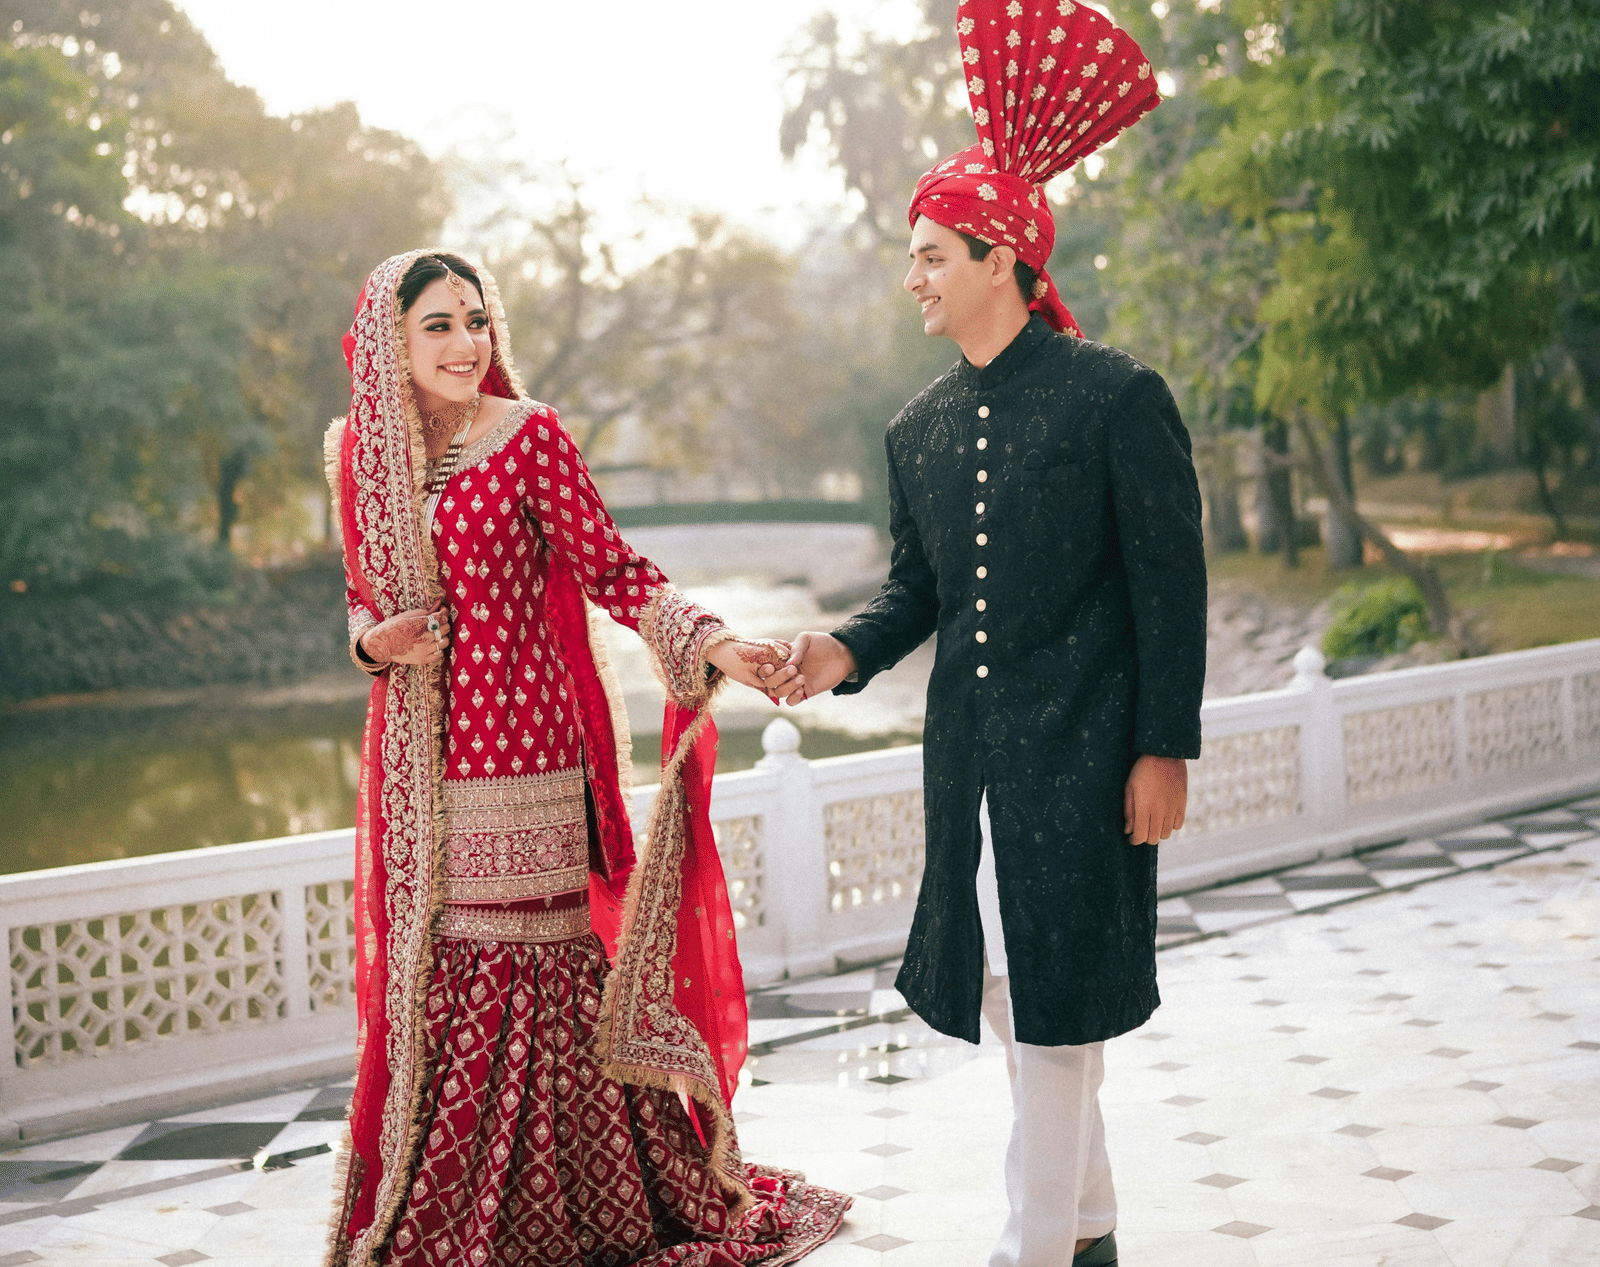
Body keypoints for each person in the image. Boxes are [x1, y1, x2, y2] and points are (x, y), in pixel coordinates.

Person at [765, 6, 1204, 1267]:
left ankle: (1036, 1251)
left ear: (1000, 255)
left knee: (1059, 1020)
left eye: (930, 254)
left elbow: (1174, 585)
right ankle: (1097, 1232)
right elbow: (918, 594)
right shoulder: (913, 428)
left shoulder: (1116, 396)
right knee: (1023, 1010)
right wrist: (835, 652)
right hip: (971, 763)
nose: (912, 276)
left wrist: (1162, 746)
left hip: (1090, 756)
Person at [324, 249, 848, 1267]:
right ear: (393, 337)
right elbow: (359, 598)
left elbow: (616, 568)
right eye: (439, 324)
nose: (467, 342)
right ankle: (448, 1214)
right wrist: (373, 643)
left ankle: (581, 1210)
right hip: (421, 781)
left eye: (477, 320)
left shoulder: (529, 438)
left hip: (528, 760)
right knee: (449, 979)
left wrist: (717, 643)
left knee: (536, 970)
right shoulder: (362, 457)